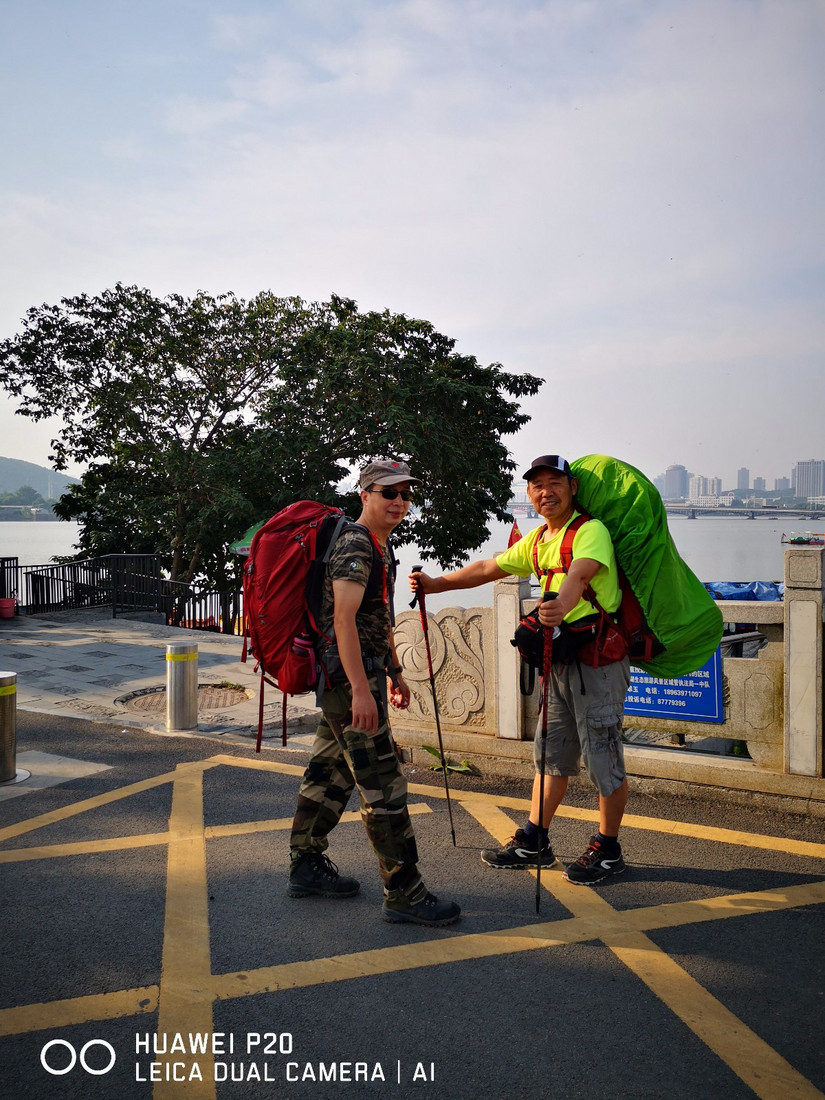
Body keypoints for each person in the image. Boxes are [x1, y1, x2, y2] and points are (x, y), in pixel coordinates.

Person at [410, 454, 630, 885]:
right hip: (561, 662)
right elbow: (489, 567)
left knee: (603, 757)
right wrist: (438, 584)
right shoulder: (537, 540)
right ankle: (535, 839)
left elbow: (581, 577)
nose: (545, 491)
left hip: (598, 664)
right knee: (550, 755)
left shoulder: (590, 531)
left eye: (554, 483)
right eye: (536, 485)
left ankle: (608, 848)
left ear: (572, 488)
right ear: (529, 494)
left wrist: (559, 607)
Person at [288, 458, 461, 925]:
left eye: (405, 493)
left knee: (330, 773)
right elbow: (342, 620)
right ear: (364, 495)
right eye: (388, 493)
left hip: (356, 678)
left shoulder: (377, 546)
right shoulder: (356, 545)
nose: (399, 501)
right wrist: (362, 692)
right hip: (349, 684)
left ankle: (304, 863)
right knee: (383, 787)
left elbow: (375, 615)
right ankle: (404, 893)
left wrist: (395, 669)